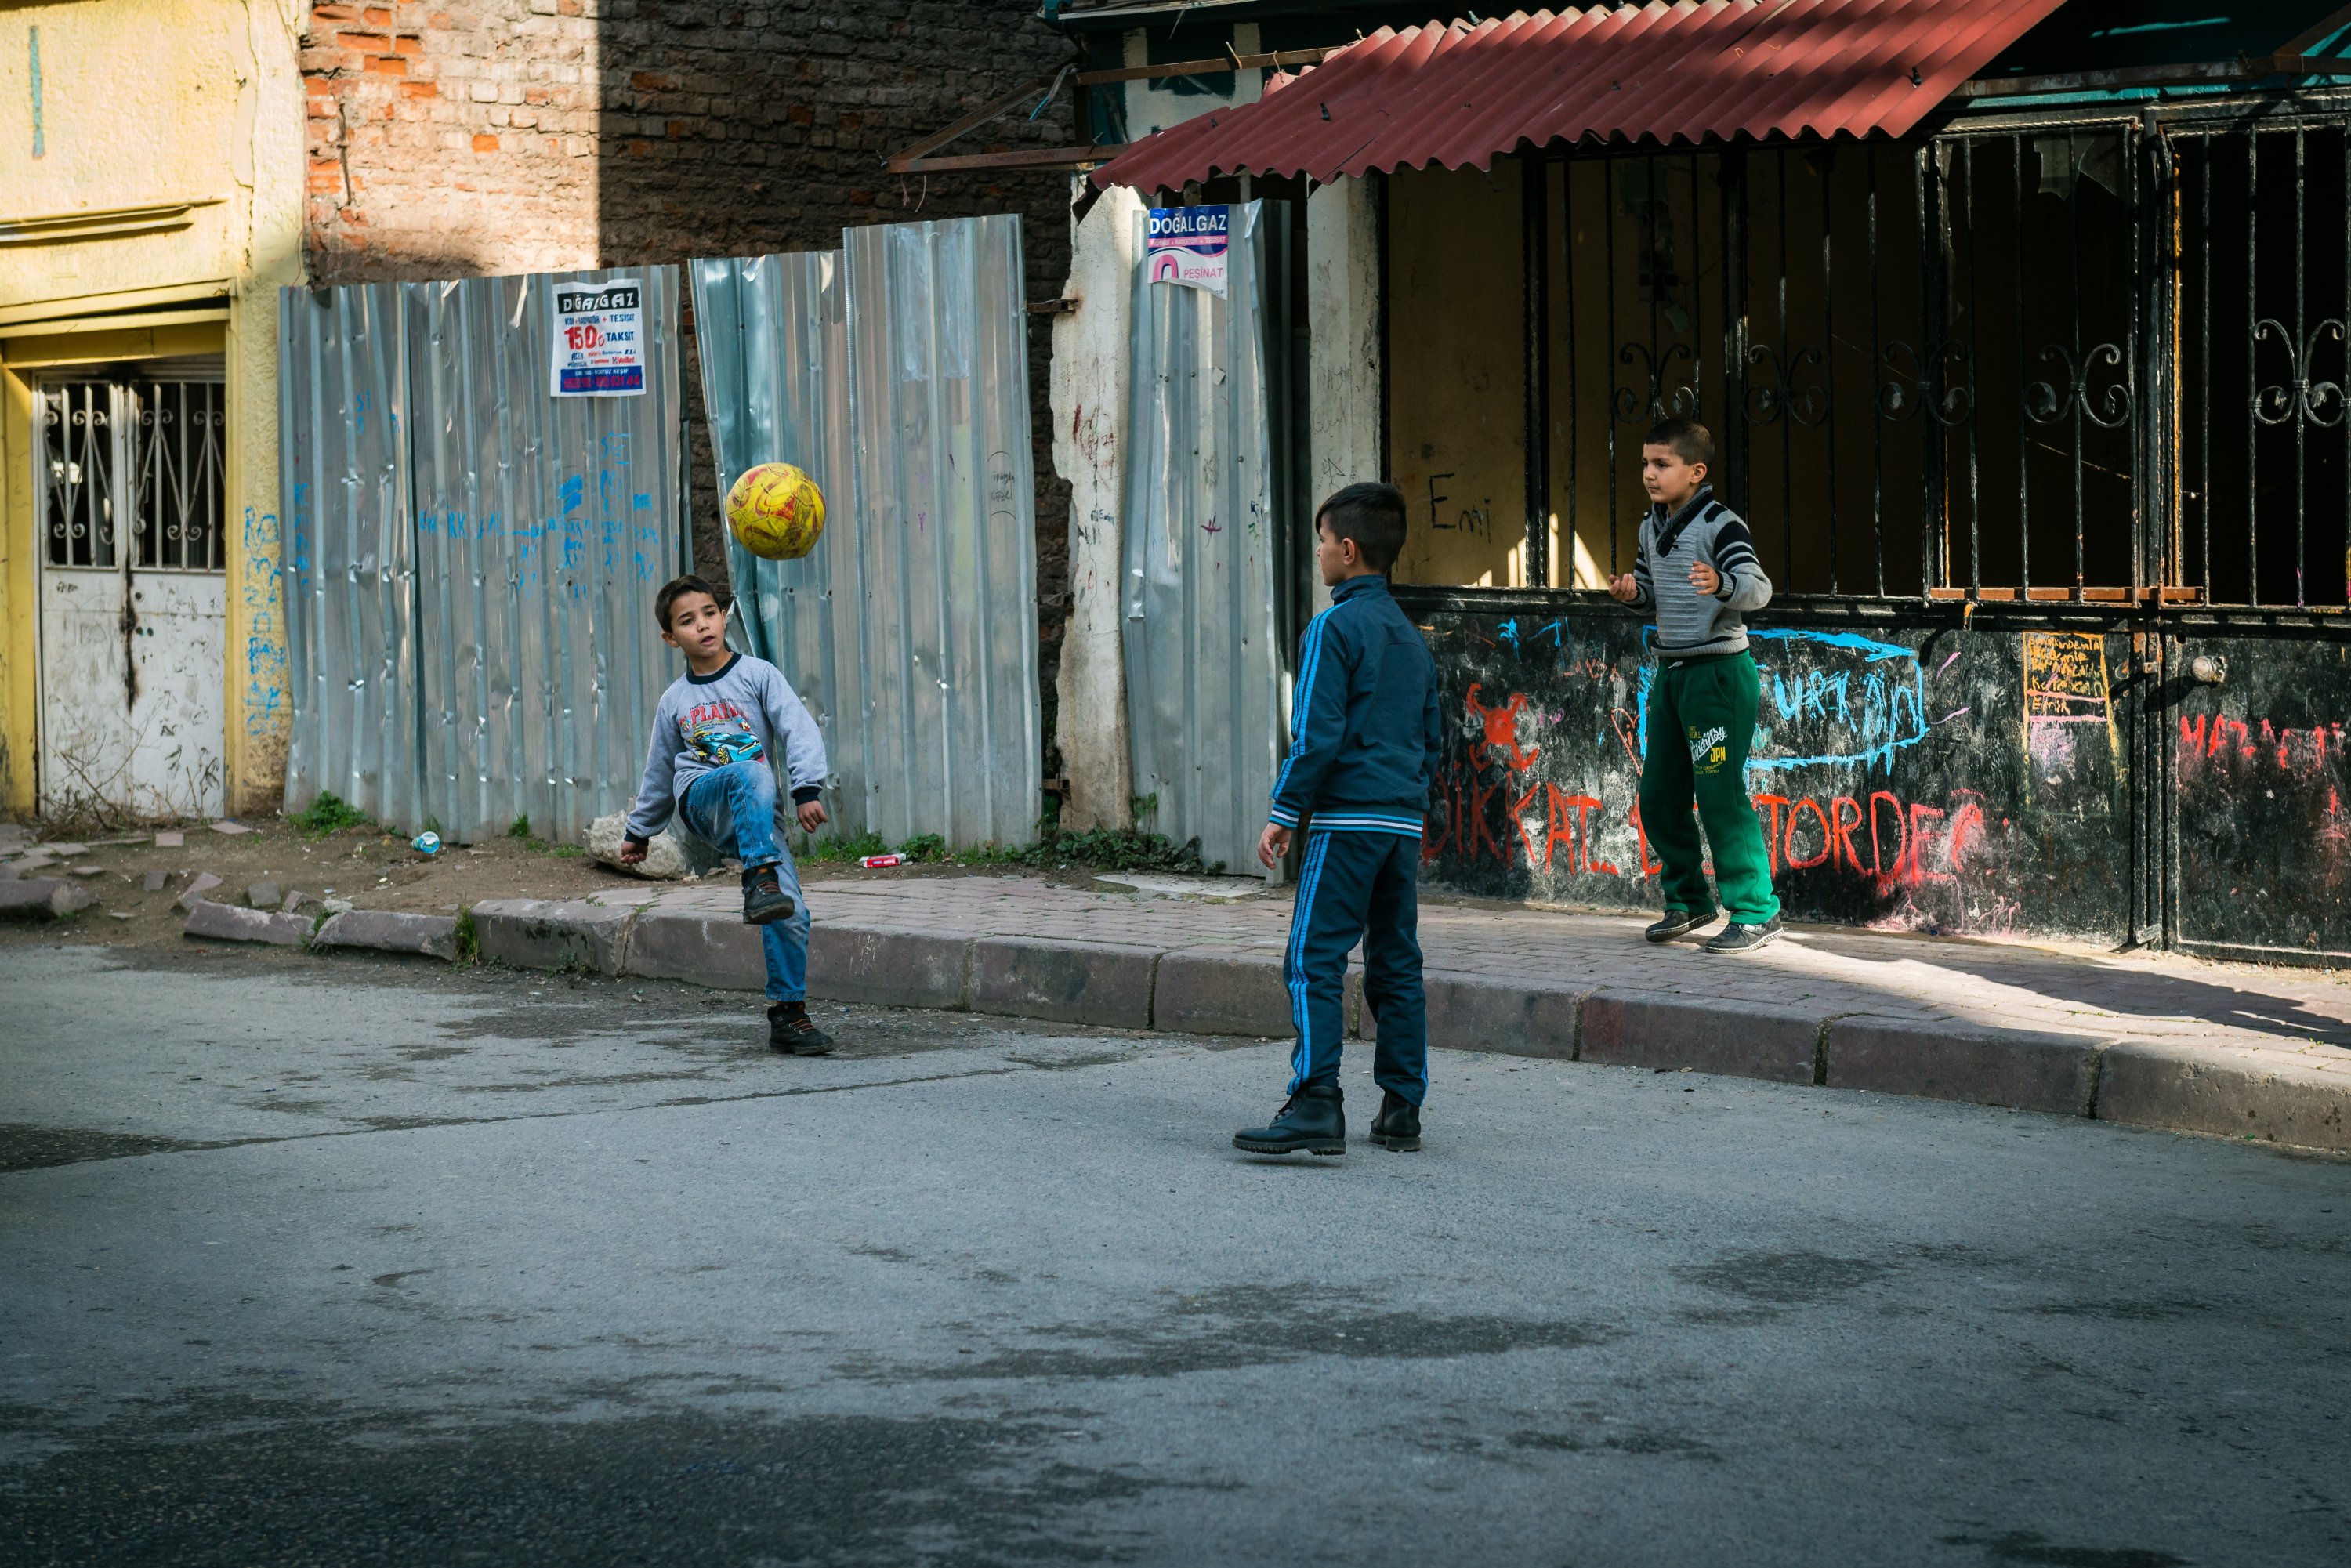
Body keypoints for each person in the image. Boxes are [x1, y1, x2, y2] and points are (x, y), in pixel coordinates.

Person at [1234, 483, 1441, 1158]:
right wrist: (1413, 810)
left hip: (1347, 820)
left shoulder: (1332, 628)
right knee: (1395, 962)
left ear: (1347, 550)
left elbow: (1316, 733)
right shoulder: (1413, 640)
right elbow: (1432, 738)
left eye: (1323, 542)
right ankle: (1401, 1108)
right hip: (1400, 824)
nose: (1319, 553)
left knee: (1311, 957)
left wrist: (1284, 811)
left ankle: (1317, 1099)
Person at [621, 574, 839, 1054]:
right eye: (687, 621)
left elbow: (798, 730)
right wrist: (640, 830)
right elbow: (659, 769)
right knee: (749, 771)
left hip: (757, 818)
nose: (703, 626)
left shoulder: (758, 675)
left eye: (710, 613)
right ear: (669, 637)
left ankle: (788, 1015)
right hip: (703, 800)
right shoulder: (675, 701)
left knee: (793, 912)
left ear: (724, 616)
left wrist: (805, 790)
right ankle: (759, 881)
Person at [1607, 417, 1783, 953]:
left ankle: (1756, 911)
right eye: (1645, 464)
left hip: (1719, 676)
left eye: (1662, 464)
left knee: (1719, 794)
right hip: (1672, 674)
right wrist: (1630, 593)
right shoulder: (1649, 527)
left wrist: (1722, 582)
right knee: (1658, 793)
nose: (1650, 474)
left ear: (1696, 471)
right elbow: (1654, 599)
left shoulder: (1720, 524)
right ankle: (1688, 899)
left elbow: (1758, 588)